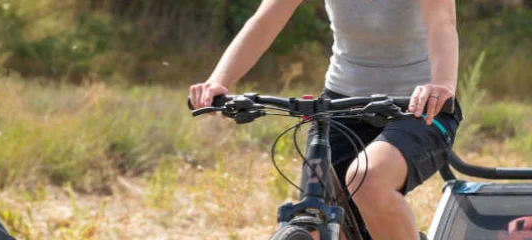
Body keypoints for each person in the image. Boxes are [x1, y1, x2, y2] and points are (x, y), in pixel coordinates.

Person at [185, 0, 460, 238]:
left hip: (420, 107)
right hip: (341, 106)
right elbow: (265, 20)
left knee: (368, 179)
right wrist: (219, 81)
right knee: (318, 221)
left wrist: (442, 85)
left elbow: (441, 21)